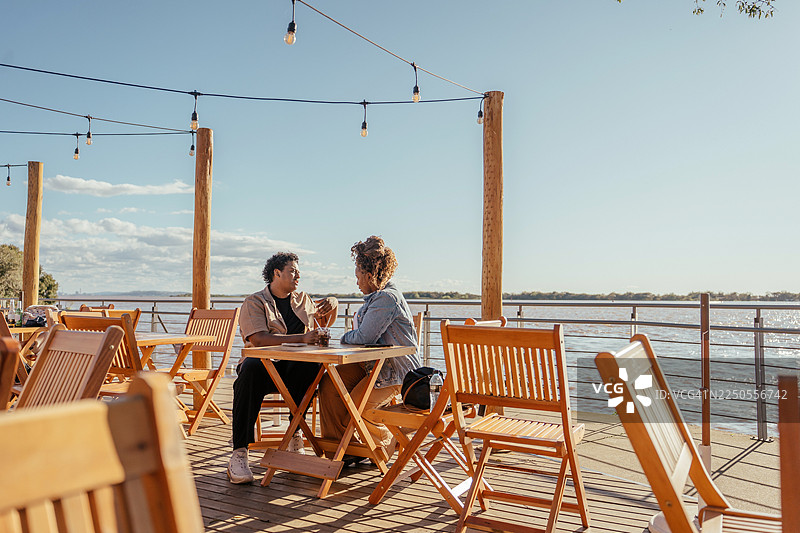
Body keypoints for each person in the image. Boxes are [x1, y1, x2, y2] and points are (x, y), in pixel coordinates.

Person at [227, 252, 338, 484]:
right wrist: (303, 339)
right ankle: (239, 452)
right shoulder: (254, 302)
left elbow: (325, 321)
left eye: (298, 271)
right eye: (293, 271)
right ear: (277, 273)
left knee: (314, 366)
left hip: (294, 372)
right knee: (250, 368)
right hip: (264, 370)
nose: (298, 275)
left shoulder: (303, 299)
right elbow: (257, 339)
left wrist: (334, 302)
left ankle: (294, 432)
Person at [318, 236, 421, 465]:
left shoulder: (386, 298)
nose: (356, 282)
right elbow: (365, 338)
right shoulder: (377, 296)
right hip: (372, 365)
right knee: (329, 385)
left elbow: (364, 336)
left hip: (396, 371)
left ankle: (385, 444)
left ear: (369, 275)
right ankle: (342, 450)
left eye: (357, 277)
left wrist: (343, 338)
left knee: (358, 405)